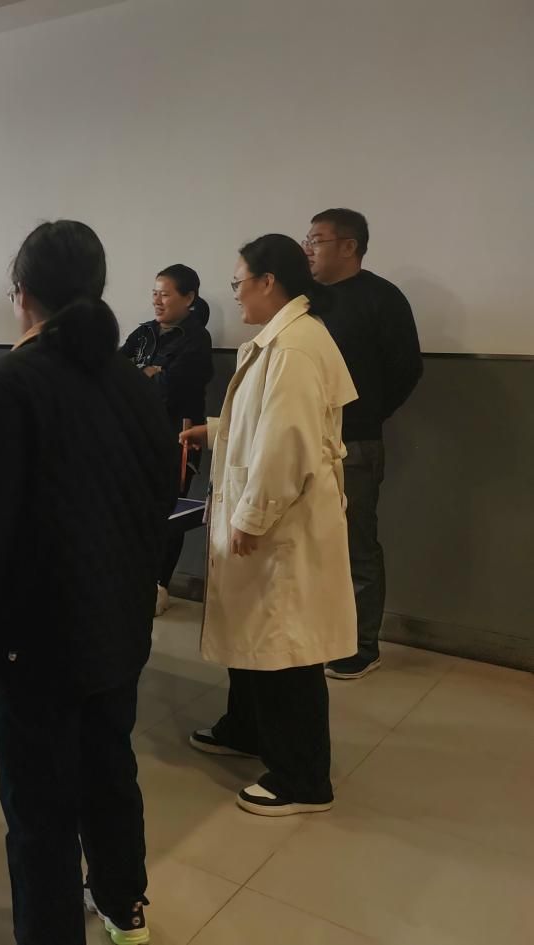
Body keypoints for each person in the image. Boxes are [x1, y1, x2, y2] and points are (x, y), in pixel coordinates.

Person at [0, 221, 177, 945]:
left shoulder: (12, 385)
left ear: (23, 295)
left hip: (34, 646)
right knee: (110, 773)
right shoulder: (132, 382)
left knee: (40, 815)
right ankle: (125, 909)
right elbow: (158, 497)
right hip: (116, 628)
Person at [180, 234, 357, 817]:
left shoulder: (295, 346)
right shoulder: (277, 340)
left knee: (286, 646)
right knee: (253, 633)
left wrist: (253, 517)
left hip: (281, 522)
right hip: (267, 513)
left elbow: (287, 446)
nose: (235, 294)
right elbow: (262, 422)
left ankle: (303, 778)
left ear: (268, 281)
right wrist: (214, 430)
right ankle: (246, 728)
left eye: (239, 283)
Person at [304, 209, 422, 680]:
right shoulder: (306, 300)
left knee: (356, 545)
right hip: (305, 438)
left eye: (317, 240)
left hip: (355, 440)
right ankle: (319, 633)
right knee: (309, 543)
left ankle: (362, 645)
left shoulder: (382, 298)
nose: (308, 249)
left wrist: (368, 412)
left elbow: (406, 368)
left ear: (349, 246)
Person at [120, 264, 214, 615]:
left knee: (169, 513)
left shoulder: (196, 338)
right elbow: (114, 373)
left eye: (166, 294)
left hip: (177, 438)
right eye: (155, 293)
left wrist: (145, 376)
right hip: (134, 436)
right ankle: (131, 578)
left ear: (188, 298)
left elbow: (172, 389)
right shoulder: (144, 333)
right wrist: (148, 373)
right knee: (132, 511)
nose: (157, 301)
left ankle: (159, 585)